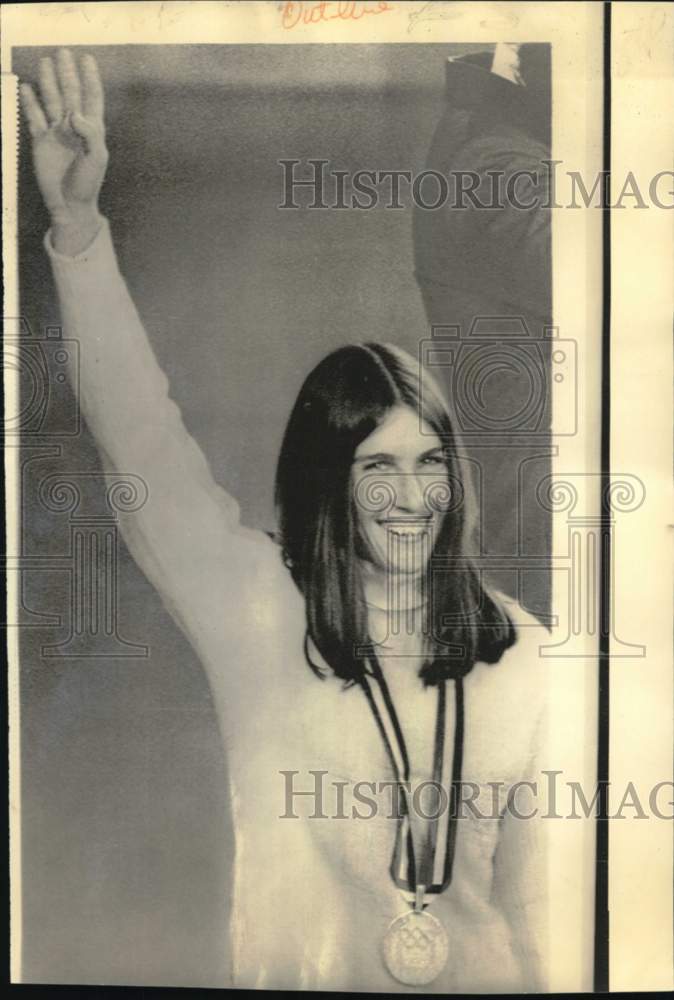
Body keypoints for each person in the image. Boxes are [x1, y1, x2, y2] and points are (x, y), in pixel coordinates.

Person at [21, 50, 551, 993]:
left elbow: (543, 930)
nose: (412, 497)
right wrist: (79, 230)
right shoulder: (262, 615)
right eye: (375, 467)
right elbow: (143, 442)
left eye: (431, 464)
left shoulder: (525, 652)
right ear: (326, 482)